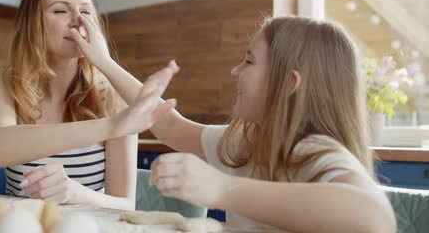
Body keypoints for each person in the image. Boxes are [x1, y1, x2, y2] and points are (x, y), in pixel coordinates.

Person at [70, 15, 397, 232]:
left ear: (287, 85)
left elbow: (374, 217)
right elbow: (168, 125)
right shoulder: (249, 141)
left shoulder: (315, 152)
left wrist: (222, 188)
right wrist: (103, 61)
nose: (235, 71)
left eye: (249, 61)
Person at [0, 0, 176, 211]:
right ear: (33, 24)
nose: (77, 21)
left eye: (86, 12)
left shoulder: (114, 94)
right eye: (61, 10)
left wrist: (75, 193)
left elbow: (125, 205)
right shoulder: (8, 83)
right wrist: (111, 126)